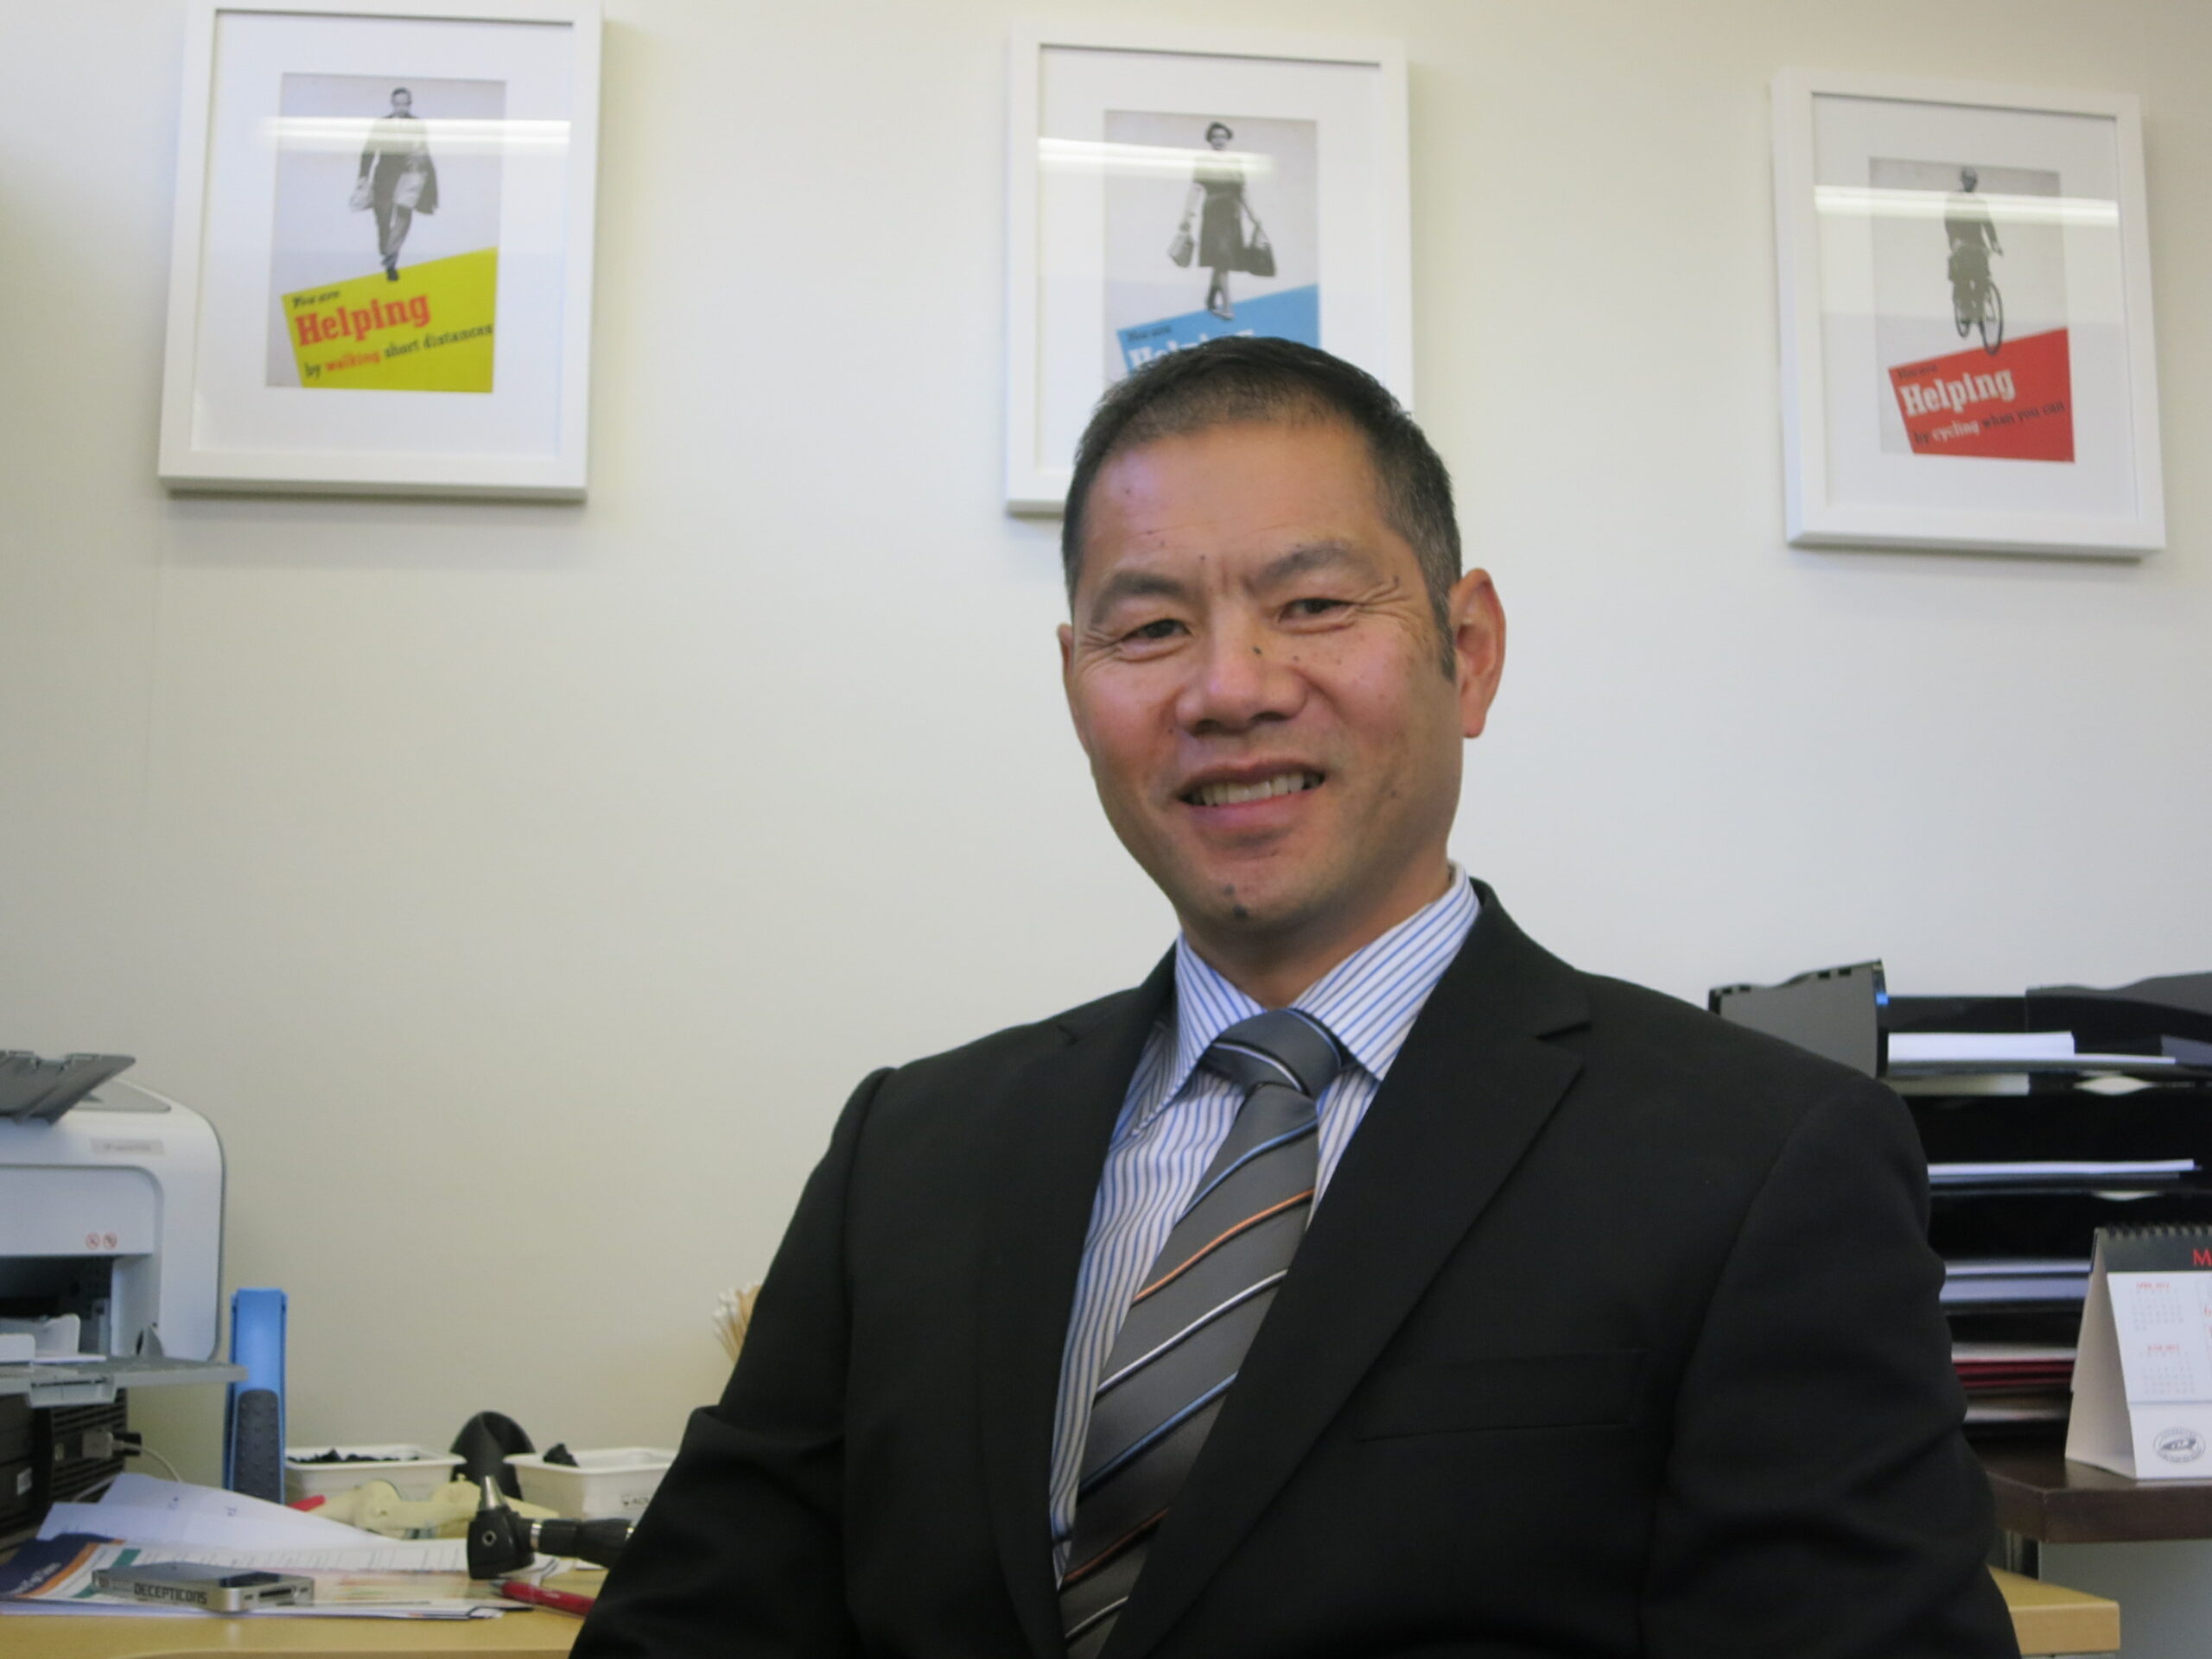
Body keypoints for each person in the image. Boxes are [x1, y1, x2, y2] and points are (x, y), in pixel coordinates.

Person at [575, 339, 2018, 1659]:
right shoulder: (907, 1152)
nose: (1230, 688)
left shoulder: (1762, 1161)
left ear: (1470, 649)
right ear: (1076, 684)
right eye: (1150, 629)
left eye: (1313, 605)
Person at [353, 86, 438, 281]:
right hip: (384, 178)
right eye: (398, 104)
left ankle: (391, 262)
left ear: (410, 104)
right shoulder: (381, 124)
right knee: (383, 218)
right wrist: (363, 176)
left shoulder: (418, 124)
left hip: (409, 178)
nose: (401, 108)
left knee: (403, 218)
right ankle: (386, 248)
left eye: (405, 104)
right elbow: (369, 150)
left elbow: (423, 150)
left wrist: (422, 170)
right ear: (392, 104)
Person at [1178, 121, 1259, 321]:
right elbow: (1195, 189)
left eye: (1223, 137)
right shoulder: (1203, 161)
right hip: (1213, 213)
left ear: (1228, 139)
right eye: (1215, 137)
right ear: (1209, 140)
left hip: (1232, 214)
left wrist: (1253, 215)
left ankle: (1210, 299)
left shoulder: (1236, 162)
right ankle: (1228, 307)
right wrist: (1186, 215)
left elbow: (1243, 191)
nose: (1219, 140)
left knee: (1223, 259)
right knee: (1222, 259)